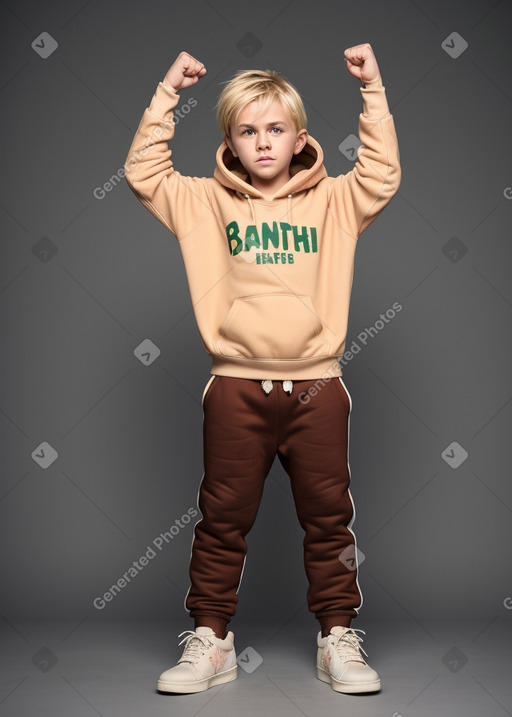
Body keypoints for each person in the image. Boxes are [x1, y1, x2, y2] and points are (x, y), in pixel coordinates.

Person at [123, 43, 401, 695]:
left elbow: (383, 174)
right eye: (248, 131)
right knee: (221, 516)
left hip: (318, 386)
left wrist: (373, 90)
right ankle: (212, 640)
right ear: (230, 141)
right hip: (235, 387)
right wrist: (168, 92)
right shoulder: (201, 204)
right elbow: (142, 173)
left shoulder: (337, 201)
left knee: (330, 516)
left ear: (300, 137)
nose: (263, 142)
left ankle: (338, 636)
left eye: (275, 128)